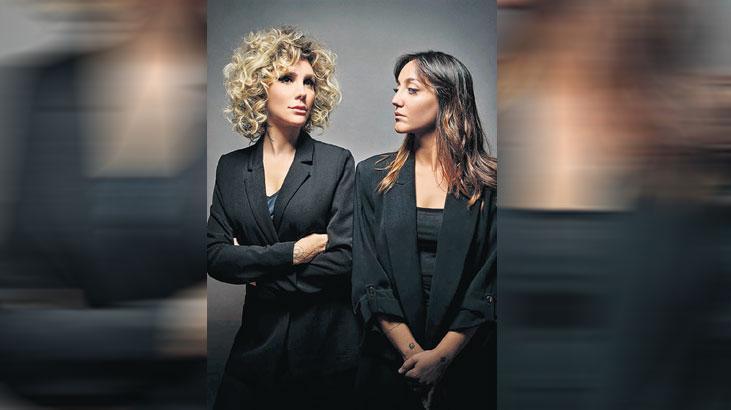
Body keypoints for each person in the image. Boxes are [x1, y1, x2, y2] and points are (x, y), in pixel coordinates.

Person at [207, 26, 360, 410]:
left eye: (309, 82)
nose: (302, 91)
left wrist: (257, 273)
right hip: (256, 348)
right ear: (259, 87)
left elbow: (345, 258)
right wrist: (293, 253)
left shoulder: (336, 162)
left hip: (324, 351)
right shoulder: (231, 168)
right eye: (287, 79)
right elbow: (215, 255)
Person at [352, 51, 497, 410]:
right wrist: (414, 356)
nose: (396, 99)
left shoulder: (492, 185)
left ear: (448, 100)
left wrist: (442, 358)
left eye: (411, 89)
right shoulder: (371, 176)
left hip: (468, 360)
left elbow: (491, 281)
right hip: (389, 361)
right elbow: (368, 275)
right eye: (397, 88)